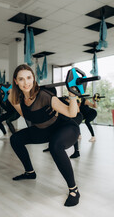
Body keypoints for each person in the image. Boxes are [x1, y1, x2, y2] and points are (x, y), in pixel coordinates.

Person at [8, 64, 80, 207]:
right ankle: (30, 172)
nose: (26, 82)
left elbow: (72, 113)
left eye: (29, 78)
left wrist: (72, 95)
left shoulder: (45, 96)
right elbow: (27, 116)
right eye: (21, 79)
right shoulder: (14, 98)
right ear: (15, 81)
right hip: (44, 130)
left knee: (55, 146)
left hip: (65, 126)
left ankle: (74, 190)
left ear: (34, 78)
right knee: (15, 139)